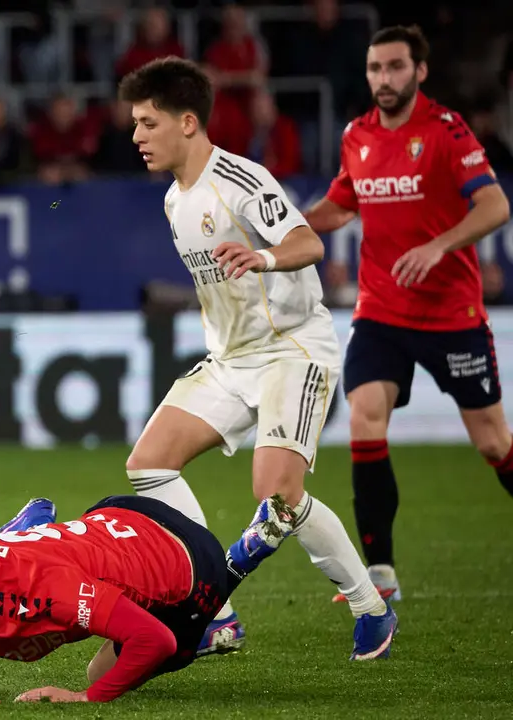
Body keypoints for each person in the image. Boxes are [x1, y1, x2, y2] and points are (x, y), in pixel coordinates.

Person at [116, 56, 396, 659]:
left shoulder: (242, 180)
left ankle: (372, 609)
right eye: (134, 124)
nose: (136, 136)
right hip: (232, 358)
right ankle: (217, 611)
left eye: (147, 122)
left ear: (188, 122)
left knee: (277, 494)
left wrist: (263, 258)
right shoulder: (174, 201)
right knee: (149, 463)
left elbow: (308, 242)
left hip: (292, 349)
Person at [303, 26, 513, 602]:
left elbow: (495, 204)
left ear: (419, 71)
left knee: (494, 443)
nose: (384, 79)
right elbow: (341, 203)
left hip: (451, 313)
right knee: (365, 416)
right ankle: (381, 573)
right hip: (382, 310)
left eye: (395, 67)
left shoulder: (446, 131)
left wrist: (440, 244)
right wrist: (284, 224)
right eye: (375, 69)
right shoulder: (357, 135)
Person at [0, 493, 298, 705]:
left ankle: (242, 558)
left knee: (112, 668)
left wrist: (84, 699)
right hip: (116, 513)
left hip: (190, 562)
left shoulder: (50, 593)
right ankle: (26, 532)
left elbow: (154, 641)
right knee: (54, 564)